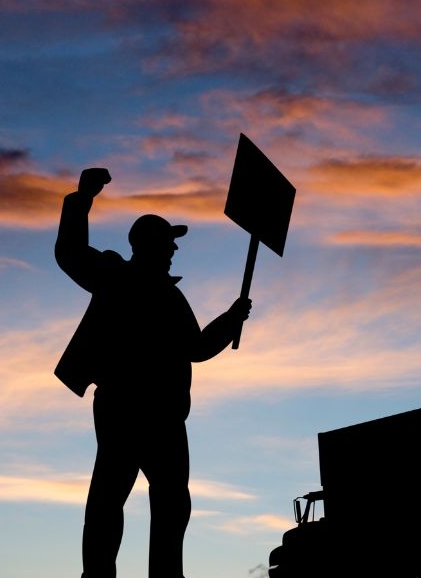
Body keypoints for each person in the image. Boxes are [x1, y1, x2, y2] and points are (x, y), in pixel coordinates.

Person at [54, 167, 251, 578]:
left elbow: (196, 348)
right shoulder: (114, 275)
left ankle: (166, 575)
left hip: (166, 416)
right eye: (168, 241)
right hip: (124, 406)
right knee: (110, 499)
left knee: (172, 502)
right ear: (149, 245)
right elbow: (70, 253)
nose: (174, 249)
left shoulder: (171, 297)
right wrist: (82, 198)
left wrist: (230, 319)